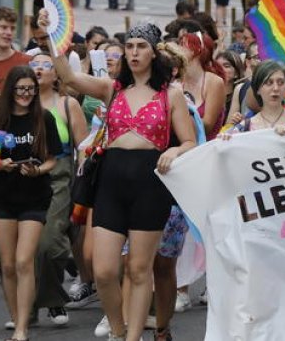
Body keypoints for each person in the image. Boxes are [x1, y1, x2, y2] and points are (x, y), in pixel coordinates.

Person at [47, 18, 195, 341]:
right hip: (111, 181)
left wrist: (175, 152)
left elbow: (190, 142)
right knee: (102, 270)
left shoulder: (171, 93)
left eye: (141, 46)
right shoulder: (111, 88)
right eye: (129, 46)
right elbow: (68, 76)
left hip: (150, 183)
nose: (133, 52)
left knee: (140, 270)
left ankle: (133, 338)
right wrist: (52, 36)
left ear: (154, 53)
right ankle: (117, 329)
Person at [0, 66, 60, 341]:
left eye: (30, 89)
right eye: (21, 89)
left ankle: (22, 328)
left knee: (24, 261)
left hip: (35, 196)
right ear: (11, 89)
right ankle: (16, 316)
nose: (25, 94)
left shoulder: (43, 118)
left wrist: (38, 170)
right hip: (4, 197)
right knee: (7, 265)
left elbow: (52, 159)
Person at [29, 51, 88, 327]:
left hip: (59, 178)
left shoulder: (68, 104)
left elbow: (84, 147)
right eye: (34, 64)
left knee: (51, 243)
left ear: (56, 74)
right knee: (22, 250)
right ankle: (25, 306)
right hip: (23, 179)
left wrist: (84, 175)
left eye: (46, 65)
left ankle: (53, 300)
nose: (39, 69)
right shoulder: (19, 104)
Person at [232, 61, 285, 132]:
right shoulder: (242, 129)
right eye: (269, 83)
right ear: (258, 89)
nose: (276, 88)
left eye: (280, 82)